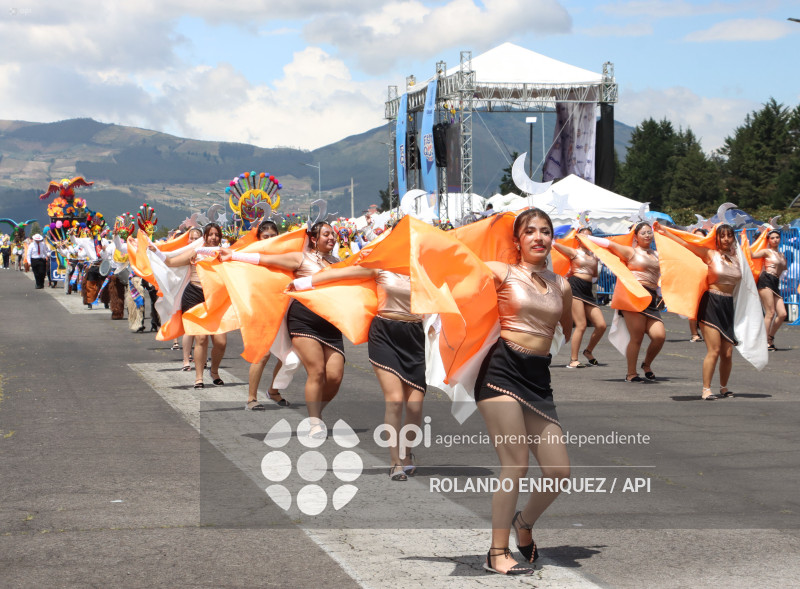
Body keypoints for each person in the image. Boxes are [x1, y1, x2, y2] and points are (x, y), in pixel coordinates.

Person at [473, 208, 572, 575]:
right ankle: (496, 552)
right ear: (517, 239)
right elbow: (452, 268)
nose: (538, 237)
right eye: (530, 231)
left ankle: (524, 523)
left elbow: (564, 325)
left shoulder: (562, 284)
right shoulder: (501, 272)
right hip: (501, 372)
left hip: (537, 379)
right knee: (515, 463)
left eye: (545, 231)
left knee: (559, 472)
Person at [292, 260, 424, 480]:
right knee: (395, 399)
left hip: (415, 339)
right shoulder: (381, 267)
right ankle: (395, 462)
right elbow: (343, 274)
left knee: (415, 405)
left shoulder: (425, 270)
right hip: (386, 335)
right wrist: (303, 282)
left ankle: (407, 452)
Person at [220, 221, 342, 437]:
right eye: (326, 234)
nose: (331, 238)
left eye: (333, 234)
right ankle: (314, 422)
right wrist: (234, 255)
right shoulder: (300, 257)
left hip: (330, 322)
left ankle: (316, 411)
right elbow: (265, 259)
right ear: (314, 238)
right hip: (304, 320)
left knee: (334, 377)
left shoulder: (338, 261)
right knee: (317, 371)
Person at [654, 222, 741, 400]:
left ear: (733, 238)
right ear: (716, 238)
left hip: (728, 305)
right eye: (722, 236)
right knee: (714, 350)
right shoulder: (710, 254)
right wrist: (665, 232)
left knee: (728, 352)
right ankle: (706, 389)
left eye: (729, 235)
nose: (726, 239)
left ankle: (724, 387)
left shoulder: (737, 259)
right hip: (711, 303)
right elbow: (686, 245)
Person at [589, 222, 665, 382]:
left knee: (659, 336)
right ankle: (631, 374)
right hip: (634, 297)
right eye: (643, 233)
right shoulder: (631, 252)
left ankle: (646, 364)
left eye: (649, 232)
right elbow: (609, 244)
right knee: (637, 337)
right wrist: (586, 237)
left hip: (650, 298)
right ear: (635, 237)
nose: (647, 235)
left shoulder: (656, 254)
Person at [160, 223, 227, 389]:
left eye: (216, 234)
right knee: (201, 338)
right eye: (210, 234)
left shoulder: (224, 253)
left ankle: (214, 371)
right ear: (205, 237)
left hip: (215, 299)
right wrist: (156, 252)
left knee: (220, 342)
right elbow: (171, 262)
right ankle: (199, 377)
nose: (214, 237)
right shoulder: (195, 252)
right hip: (194, 296)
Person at [244, 221, 287, 410]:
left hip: (283, 309)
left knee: (286, 356)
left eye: (273, 236)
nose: (269, 240)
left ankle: (273, 391)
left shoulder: (285, 256)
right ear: (259, 239)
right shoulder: (250, 257)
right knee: (263, 354)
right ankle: (251, 398)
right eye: (265, 236)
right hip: (260, 309)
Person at [553, 227, 606, 368]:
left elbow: (594, 276)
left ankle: (588, 351)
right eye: (583, 236)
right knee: (581, 325)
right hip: (575, 287)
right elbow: (555, 245)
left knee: (601, 325)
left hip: (588, 290)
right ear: (577, 238)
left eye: (590, 236)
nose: (587, 238)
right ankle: (573, 360)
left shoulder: (594, 256)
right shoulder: (574, 252)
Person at [751, 229, 787, 351]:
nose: (775, 239)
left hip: (775, 282)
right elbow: (752, 254)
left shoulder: (782, 255)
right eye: (772, 238)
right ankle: (765, 341)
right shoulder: (767, 251)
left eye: (777, 237)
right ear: (768, 240)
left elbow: (783, 272)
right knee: (770, 312)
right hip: (766, 279)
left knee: (782, 314)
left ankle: (770, 337)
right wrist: (748, 241)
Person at [688, 228, 709, 342]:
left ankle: (706, 332)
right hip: (693, 282)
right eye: (696, 236)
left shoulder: (709, 250)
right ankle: (694, 334)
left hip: (707, 281)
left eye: (701, 236)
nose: (698, 239)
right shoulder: (689, 250)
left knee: (705, 308)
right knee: (693, 309)